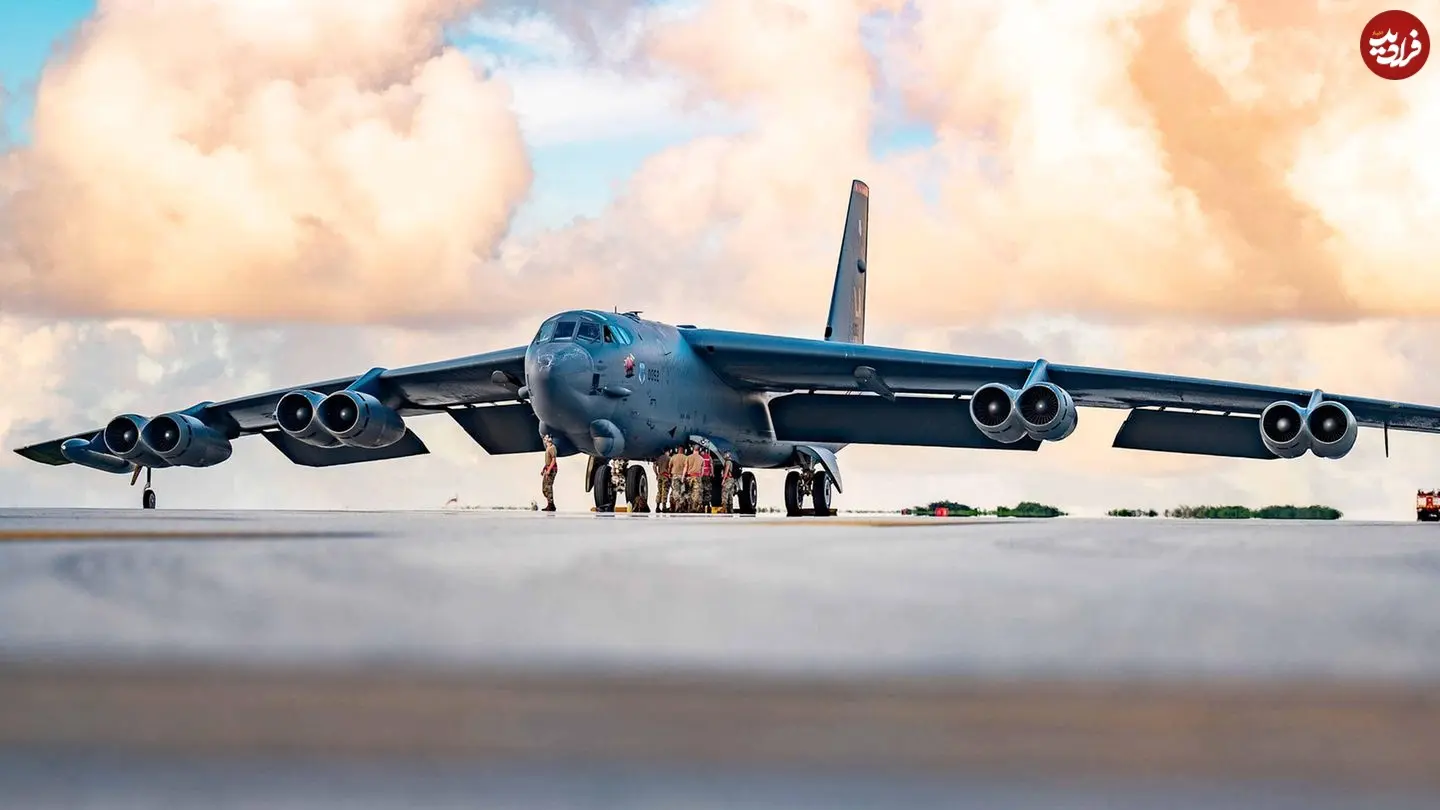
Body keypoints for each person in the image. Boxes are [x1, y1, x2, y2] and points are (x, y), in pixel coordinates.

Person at [540, 435, 557, 512]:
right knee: (544, 488)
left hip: (552, 469)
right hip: (547, 468)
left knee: (548, 487)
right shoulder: (547, 448)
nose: (545, 440)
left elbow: (553, 460)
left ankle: (551, 505)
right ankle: (549, 504)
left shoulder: (552, 448)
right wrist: (544, 469)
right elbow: (548, 461)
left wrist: (549, 470)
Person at [668, 445, 688, 512]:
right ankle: (681, 505)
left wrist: (669, 474)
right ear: (683, 451)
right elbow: (687, 467)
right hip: (682, 476)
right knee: (682, 491)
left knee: (676, 490)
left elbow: (669, 466)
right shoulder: (686, 457)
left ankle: (677, 504)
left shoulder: (673, 457)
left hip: (675, 476)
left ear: (677, 450)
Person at [683, 444, 703, 512]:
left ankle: (688, 506)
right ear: (699, 450)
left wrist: (683, 476)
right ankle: (694, 507)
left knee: (688, 492)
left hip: (689, 476)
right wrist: (701, 476)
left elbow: (685, 467)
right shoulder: (701, 459)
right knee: (696, 493)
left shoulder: (688, 457)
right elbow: (702, 470)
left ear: (692, 449)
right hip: (697, 477)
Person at [655, 449, 671, 513]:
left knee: (659, 491)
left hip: (659, 476)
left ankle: (657, 507)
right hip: (665, 476)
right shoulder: (669, 458)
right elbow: (670, 468)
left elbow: (654, 466)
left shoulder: (659, 458)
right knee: (665, 491)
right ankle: (664, 507)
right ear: (668, 452)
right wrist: (669, 474)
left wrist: (656, 474)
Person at [699, 447, 714, 512]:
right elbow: (711, 465)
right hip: (707, 475)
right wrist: (712, 473)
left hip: (702, 476)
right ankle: (707, 505)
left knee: (702, 490)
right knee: (707, 490)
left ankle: (703, 506)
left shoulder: (699, 457)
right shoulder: (709, 457)